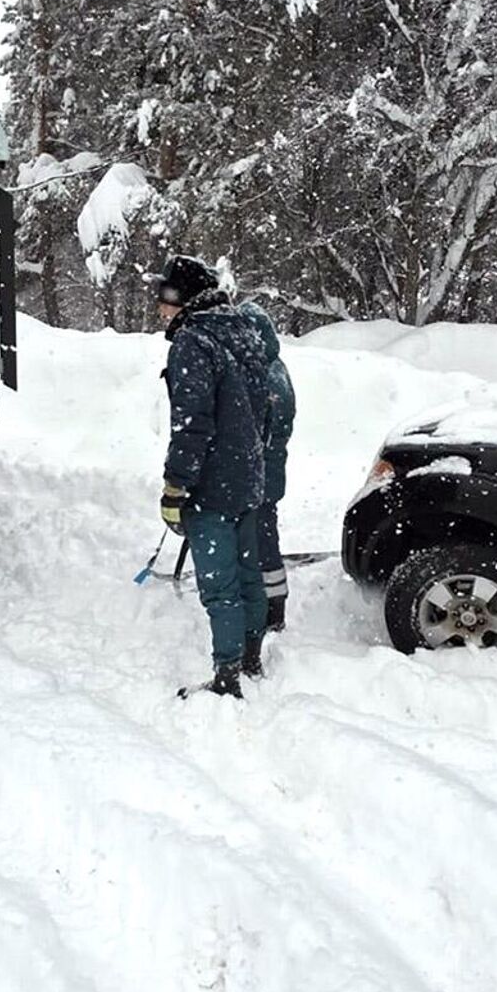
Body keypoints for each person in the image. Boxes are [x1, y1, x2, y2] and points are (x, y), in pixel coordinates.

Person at [154, 254, 270, 699]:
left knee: (220, 586)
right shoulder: (245, 334)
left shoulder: (193, 343)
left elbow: (193, 424)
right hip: (246, 478)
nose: (160, 308)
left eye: (166, 297)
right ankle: (252, 657)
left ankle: (228, 676)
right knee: (248, 575)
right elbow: (262, 410)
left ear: (185, 300)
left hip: (212, 484)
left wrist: (175, 485)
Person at [235, 297, 296, 630]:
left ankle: (272, 611)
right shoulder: (277, 369)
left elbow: (255, 429)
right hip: (270, 473)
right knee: (264, 536)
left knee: (261, 542)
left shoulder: (263, 376)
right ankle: (269, 603)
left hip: (258, 475)